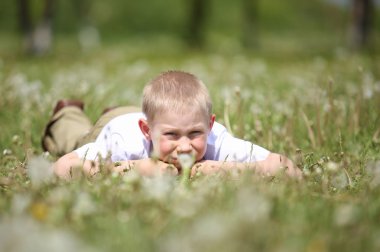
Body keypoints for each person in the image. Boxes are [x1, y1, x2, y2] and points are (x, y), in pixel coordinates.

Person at [44, 70, 301, 180]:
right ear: (147, 132)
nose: (185, 146)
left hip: (152, 118)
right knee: (75, 138)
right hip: (115, 124)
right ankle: (68, 111)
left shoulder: (216, 139)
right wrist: (134, 168)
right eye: (173, 135)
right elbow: (62, 169)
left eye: (195, 133)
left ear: (210, 126)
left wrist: (225, 169)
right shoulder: (123, 141)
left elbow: (287, 169)